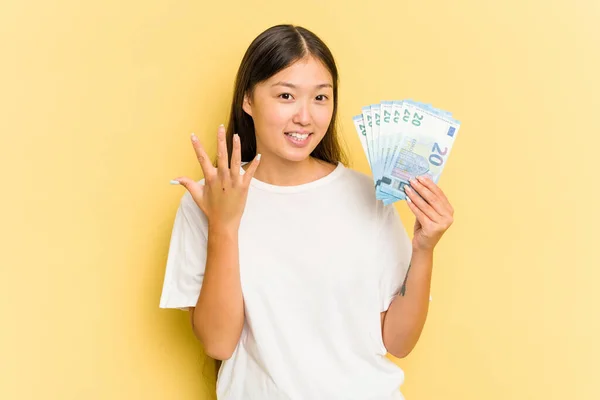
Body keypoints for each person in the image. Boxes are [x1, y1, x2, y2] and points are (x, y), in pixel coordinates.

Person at [159, 24, 454, 400]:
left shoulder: (369, 197)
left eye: (320, 98)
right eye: (286, 95)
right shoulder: (209, 200)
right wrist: (224, 226)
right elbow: (219, 343)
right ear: (248, 99)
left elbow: (397, 341)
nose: (305, 117)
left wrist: (425, 249)